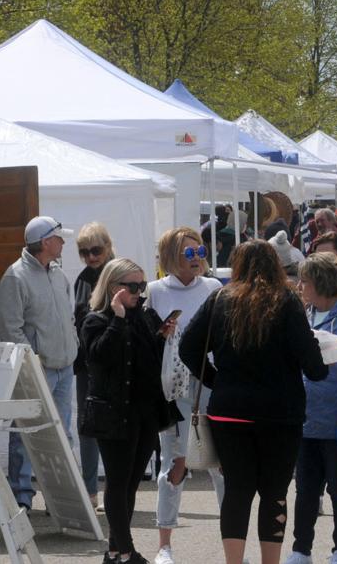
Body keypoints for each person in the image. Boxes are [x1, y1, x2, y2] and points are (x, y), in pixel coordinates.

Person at [179, 240, 327, 564]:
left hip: (230, 412)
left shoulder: (219, 298)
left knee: (237, 491)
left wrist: (218, 381)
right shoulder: (287, 300)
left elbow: (188, 348)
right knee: (274, 494)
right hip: (280, 414)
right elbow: (313, 366)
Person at [80, 258, 179, 564]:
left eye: (142, 285)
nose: (139, 292)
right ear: (113, 288)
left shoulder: (146, 315)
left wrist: (162, 337)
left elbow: (148, 362)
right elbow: (99, 358)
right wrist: (118, 320)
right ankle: (126, 551)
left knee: (133, 483)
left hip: (144, 411)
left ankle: (113, 551)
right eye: (132, 286)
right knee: (118, 481)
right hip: (113, 413)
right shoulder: (96, 320)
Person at [145, 228, 225, 564]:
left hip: (210, 380)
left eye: (200, 251)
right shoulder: (155, 291)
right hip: (173, 383)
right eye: (188, 253)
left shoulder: (214, 288)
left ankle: (230, 544)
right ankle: (164, 543)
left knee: (220, 463)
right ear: (170, 256)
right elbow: (147, 339)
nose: (196, 259)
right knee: (175, 461)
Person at [284, 254, 337, 564]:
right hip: (304, 421)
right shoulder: (301, 314)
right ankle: (300, 549)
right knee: (305, 491)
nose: (299, 285)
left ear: (319, 282)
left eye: (304, 280)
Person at [0, 215, 78, 511]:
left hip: (64, 366)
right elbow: (9, 328)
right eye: (59, 238)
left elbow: (67, 317)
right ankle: (22, 498)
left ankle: (63, 499)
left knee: (62, 434)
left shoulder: (58, 274)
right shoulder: (15, 277)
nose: (63, 242)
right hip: (38, 369)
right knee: (27, 434)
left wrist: (73, 345)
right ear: (46, 242)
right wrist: (34, 361)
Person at [72, 222, 114, 512]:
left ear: (108, 246)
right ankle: (90, 491)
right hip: (88, 362)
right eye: (84, 252)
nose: (90, 257)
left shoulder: (122, 272)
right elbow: (78, 318)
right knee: (87, 426)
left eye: (95, 250)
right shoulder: (83, 278)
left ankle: (114, 489)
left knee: (116, 425)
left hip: (116, 361)